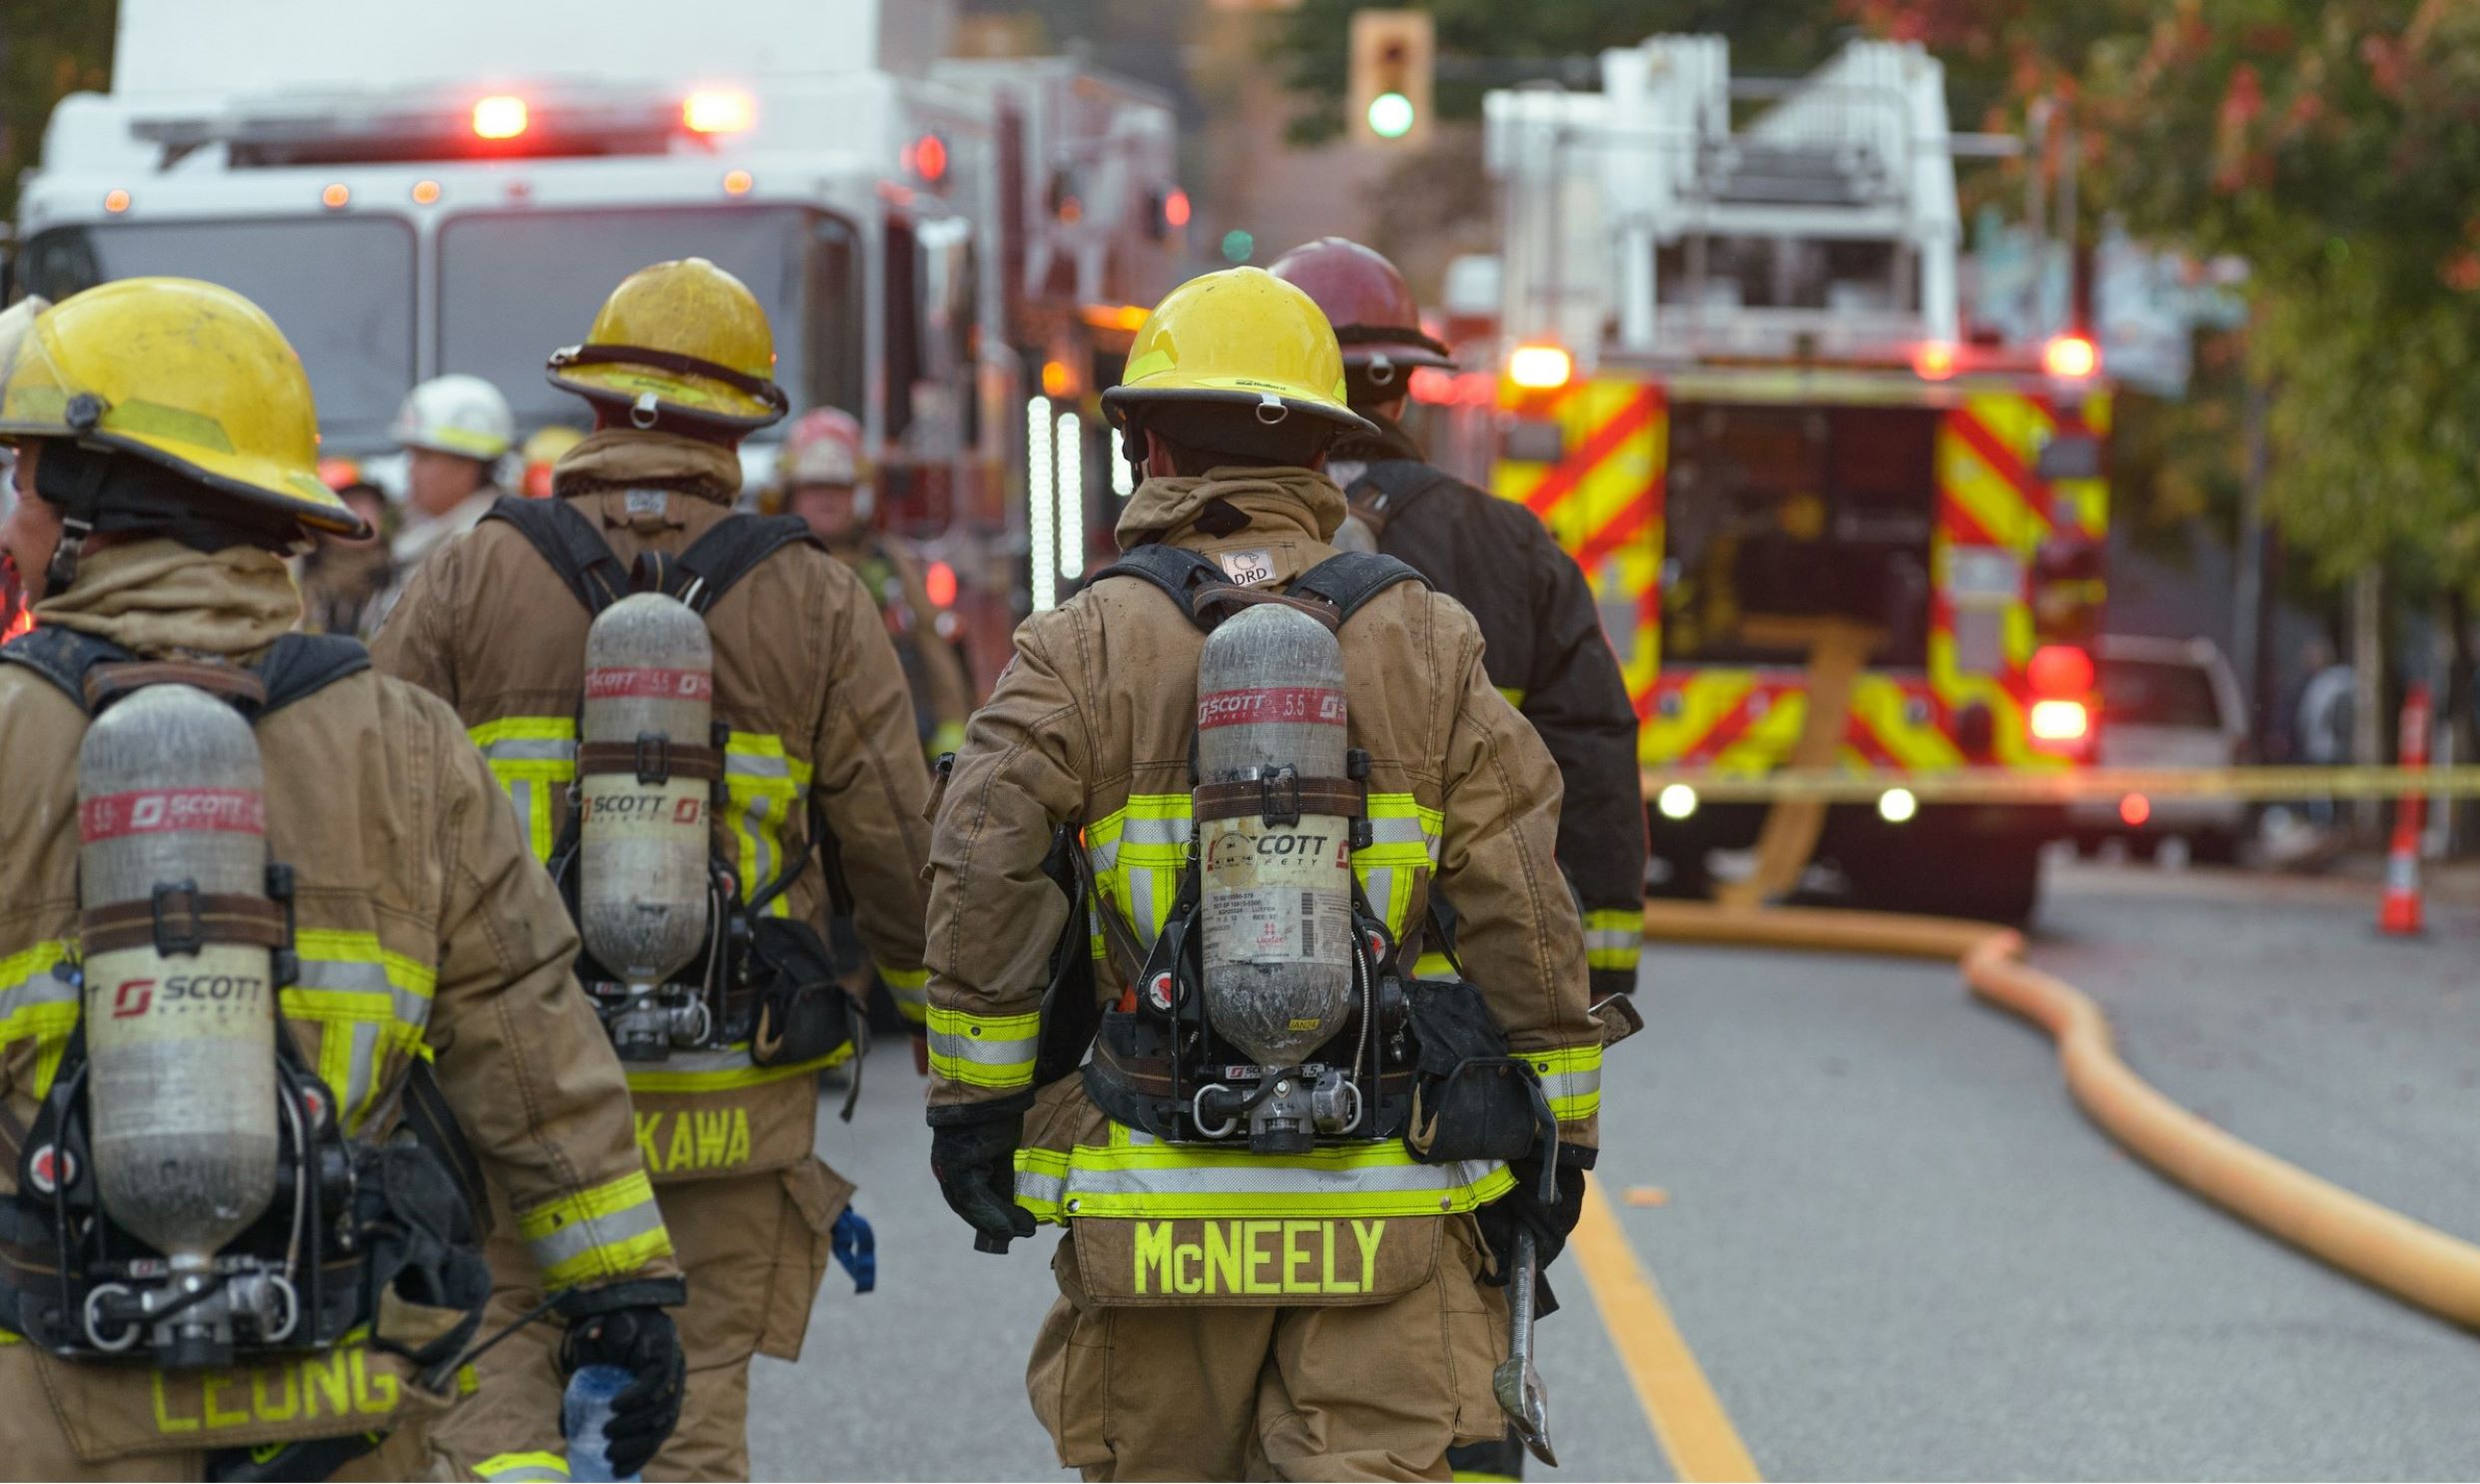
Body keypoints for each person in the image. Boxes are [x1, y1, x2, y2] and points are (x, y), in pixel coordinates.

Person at [922, 267, 1608, 1479]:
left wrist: (975, 1111)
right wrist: (1563, 1136)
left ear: (1149, 440)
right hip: (1382, 1198)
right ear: (1330, 450)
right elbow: (1526, 902)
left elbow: (982, 868)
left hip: (1157, 1210)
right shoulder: (1424, 632)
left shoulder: (1082, 640)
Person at [0, 278, 683, 1480]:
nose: (12, 519)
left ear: (93, 502)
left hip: (49, 1387)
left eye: (25, 479)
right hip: (332, 1381)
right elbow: (523, 1028)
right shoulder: (404, 740)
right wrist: (617, 1285)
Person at [373, 258, 934, 1481]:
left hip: (511, 1096)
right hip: (729, 1105)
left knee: (496, 1383)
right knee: (688, 1426)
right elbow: (896, 843)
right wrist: (962, 1048)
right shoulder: (816, 599)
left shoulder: (469, 573)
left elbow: (373, 811)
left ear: (590, 407)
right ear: (739, 425)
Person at [1272, 237, 1648, 1010]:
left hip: (1244, 974)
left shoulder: (1211, 538)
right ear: (1403, 392)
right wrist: (1600, 960)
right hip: (1464, 1000)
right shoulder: (1513, 547)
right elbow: (1592, 746)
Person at [770, 407, 973, 763]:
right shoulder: (771, 564)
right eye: (815, 486)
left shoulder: (888, 561)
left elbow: (930, 645)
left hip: (883, 747)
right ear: (791, 493)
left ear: (858, 492)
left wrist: (953, 739)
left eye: (839, 487)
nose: (827, 499)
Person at [375, 373, 515, 625]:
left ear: (469, 463)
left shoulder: (482, 548)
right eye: (411, 455)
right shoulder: (427, 535)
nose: (410, 469)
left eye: (425, 457)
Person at [295, 466, 395, 638]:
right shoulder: (296, 573)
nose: (364, 513)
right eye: (351, 503)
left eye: (370, 504)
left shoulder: (401, 575)